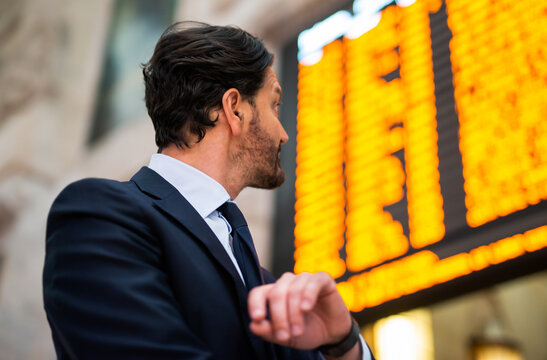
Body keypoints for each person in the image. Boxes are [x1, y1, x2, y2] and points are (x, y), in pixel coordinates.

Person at [43, 22, 374, 360]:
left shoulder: (262, 282)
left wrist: (343, 341)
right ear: (234, 108)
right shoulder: (99, 217)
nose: (283, 133)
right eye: (274, 104)